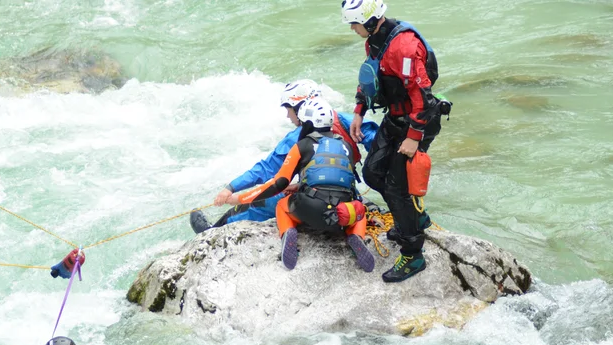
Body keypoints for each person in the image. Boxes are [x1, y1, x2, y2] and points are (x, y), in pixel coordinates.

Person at [341, 0, 447, 282]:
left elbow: (422, 97)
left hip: (417, 122)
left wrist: (414, 137)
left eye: (354, 23)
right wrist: (358, 112)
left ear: (370, 20)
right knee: (373, 172)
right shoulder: (375, 40)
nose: (352, 29)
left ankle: (413, 254)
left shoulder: (403, 47)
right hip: (396, 119)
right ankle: (415, 219)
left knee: (396, 185)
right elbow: (369, 79)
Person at [189, 80, 379, 234]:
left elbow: (267, 170)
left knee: (259, 203)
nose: (288, 116)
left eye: (289, 109)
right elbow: (378, 147)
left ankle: (211, 231)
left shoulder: (297, 139)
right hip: (346, 197)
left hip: (312, 203)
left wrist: (232, 189)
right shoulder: (348, 122)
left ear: (301, 109)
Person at [226, 98, 375, 272]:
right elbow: (341, 182)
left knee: (282, 205)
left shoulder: (302, 145)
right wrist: (299, 186)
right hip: (342, 216)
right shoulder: (346, 147)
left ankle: (287, 235)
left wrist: (240, 198)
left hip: (311, 211)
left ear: (307, 123)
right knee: (360, 212)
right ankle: (355, 236)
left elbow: (278, 183)